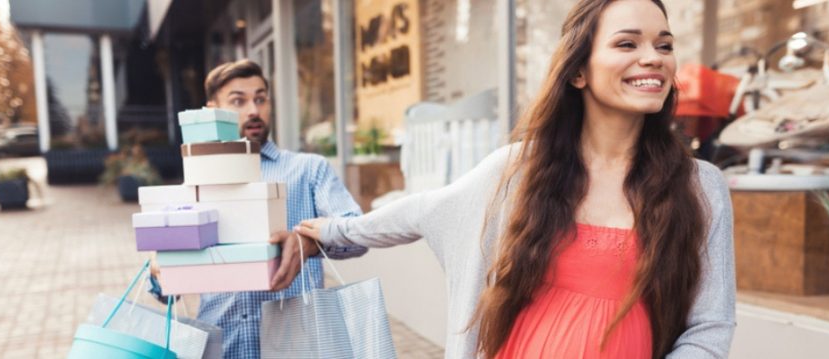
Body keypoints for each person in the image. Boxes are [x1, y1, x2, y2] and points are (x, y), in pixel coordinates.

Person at [290, 1, 736, 358]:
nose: (652, 59)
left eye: (663, 45)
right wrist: (332, 231)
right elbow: (421, 210)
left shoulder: (700, 187)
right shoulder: (519, 170)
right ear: (578, 71)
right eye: (627, 44)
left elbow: (711, 326)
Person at [150, 59, 367, 359]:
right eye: (238, 101)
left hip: (297, 346)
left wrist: (311, 242)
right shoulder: (196, 183)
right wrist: (161, 268)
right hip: (222, 345)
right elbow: (165, 288)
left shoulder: (308, 169)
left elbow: (357, 231)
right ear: (212, 110)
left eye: (260, 99)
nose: (253, 110)